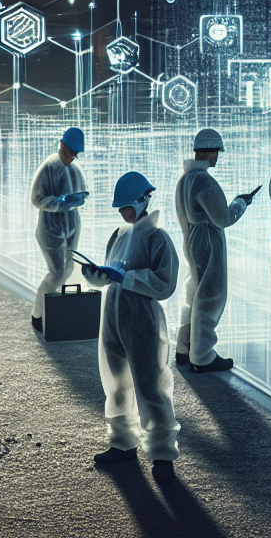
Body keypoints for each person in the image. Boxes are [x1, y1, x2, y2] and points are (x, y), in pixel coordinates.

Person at [81, 171, 181, 487]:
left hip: (143, 320)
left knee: (151, 384)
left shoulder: (157, 238)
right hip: (113, 314)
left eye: (126, 207)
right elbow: (111, 273)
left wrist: (127, 278)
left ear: (142, 201)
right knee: (117, 381)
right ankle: (122, 442)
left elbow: (165, 284)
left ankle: (163, 454)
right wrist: (96, 276)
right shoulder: (120, 234)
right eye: (121, 208)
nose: (123, 213)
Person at [174, 127, 259, 372]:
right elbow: (223, 218)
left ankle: (184, 348)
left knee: (194, 294)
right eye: (217, 152)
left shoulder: (185, 178)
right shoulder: (203, 181)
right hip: (207, 243)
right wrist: (241, 202)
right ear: (209, 151)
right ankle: (202, 357)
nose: (217, 157)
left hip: (192, 240)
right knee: (210, 296)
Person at [30, 126, 87, 333]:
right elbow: (36, 198)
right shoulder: (49, 167)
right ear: (61, 145)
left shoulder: (74, 169)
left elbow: (81, 193)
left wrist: (75, 200)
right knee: (57, 272)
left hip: (71, 225)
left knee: (68, 268)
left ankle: (56, 310)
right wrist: (59, 203)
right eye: (69, 152)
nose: (71, 157)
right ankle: (38, 314)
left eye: (74, 154)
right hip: (50, 228)